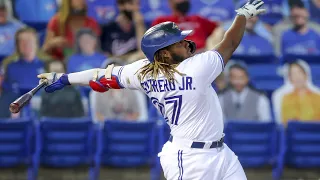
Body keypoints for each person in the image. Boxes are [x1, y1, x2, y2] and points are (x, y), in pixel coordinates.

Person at [37, 1, 266, 179]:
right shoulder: (197, 67)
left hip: (220, 153)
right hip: (190, 159)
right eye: (179, 42)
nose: (187, 43)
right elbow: (230, 42)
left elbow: (100, 76)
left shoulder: (143, 71)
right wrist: (242, 15)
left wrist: (65, 78)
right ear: (164, 53)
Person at [152, 0, 219, 53]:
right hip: (177, 58)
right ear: (170, 2)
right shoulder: (162, 21)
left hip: (202, 54)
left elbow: (218, 28)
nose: (184, 1)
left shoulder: (198, 19)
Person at [272, 60, 320, 125]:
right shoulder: (286, 98)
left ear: (305, 75)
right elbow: (288, 122)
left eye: (299, 72)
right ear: (290, 78)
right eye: (293, 74)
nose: (297, 77)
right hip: (295, 133)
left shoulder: (317, 96)